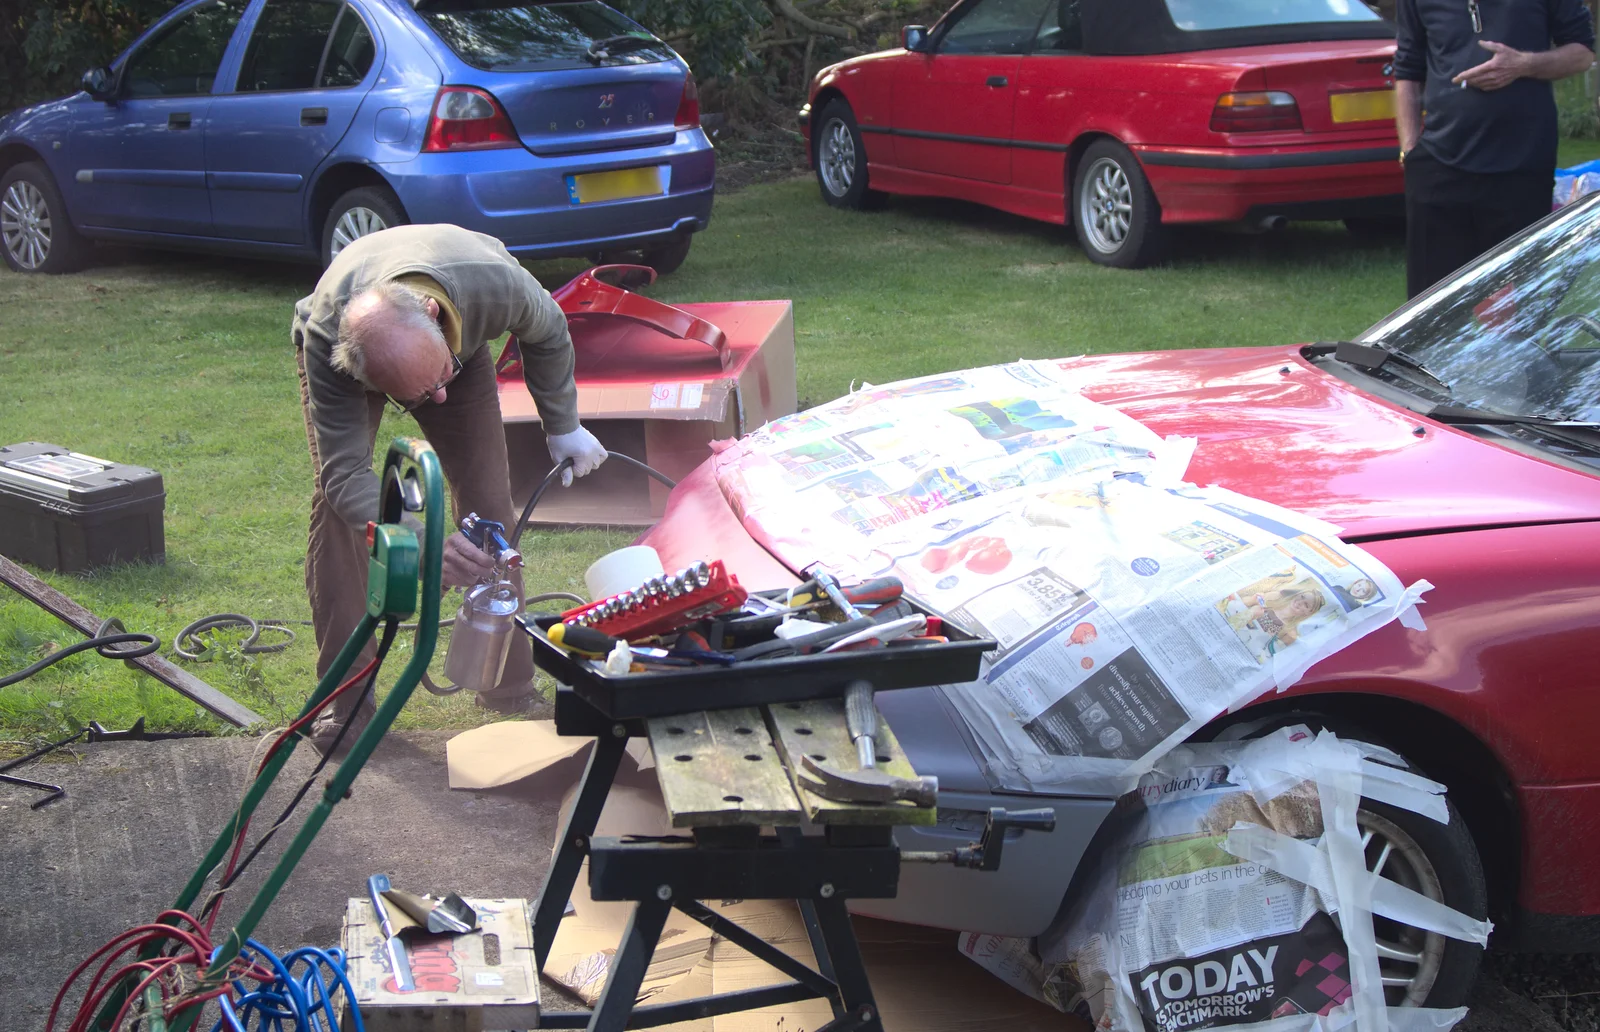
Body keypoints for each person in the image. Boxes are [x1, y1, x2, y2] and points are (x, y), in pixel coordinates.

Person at [292, 224, 609, 751]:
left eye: (437, 379)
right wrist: (421, 541)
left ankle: (507, 684)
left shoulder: (492, 285)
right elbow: (347, 477)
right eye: (413, 395)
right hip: (358, 349)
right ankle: (346, 701)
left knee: (489, 499)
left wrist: (563, 424)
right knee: (338, 510)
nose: (431, 402)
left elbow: (548, 329)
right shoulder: (332, 345)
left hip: (457, 343)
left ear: (435, 317)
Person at [1394, 0, 1594, 299]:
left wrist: (1523, 65)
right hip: (1437, 165)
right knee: (1428, 305)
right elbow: (1408, 70)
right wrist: (1409, 150)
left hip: (1522, 166)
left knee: (1518, 303)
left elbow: (1582, 53)